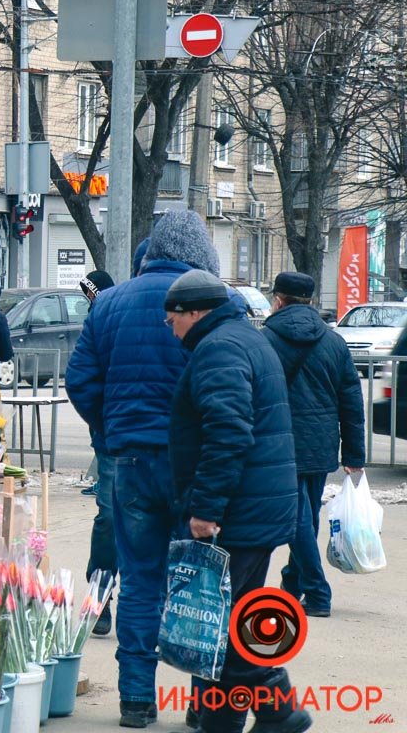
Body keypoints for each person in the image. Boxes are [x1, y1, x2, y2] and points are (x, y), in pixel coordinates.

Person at [64, 209, 221, 728]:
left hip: (129, 460)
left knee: (140, 581)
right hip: (194, 470)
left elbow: (81, 380)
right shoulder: (217, 303)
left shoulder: (108, 303)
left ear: (152, 250)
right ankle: (203, 704)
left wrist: (110, 433)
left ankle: (136, 700)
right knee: (202, 584)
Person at [165, 270, 307, 733]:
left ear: (195, 312)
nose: (171, 328)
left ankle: (250, 716)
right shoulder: (242, 336)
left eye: (173, 320)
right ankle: (276, 712)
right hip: (255, 506)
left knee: (226, 629)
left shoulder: (220, 348)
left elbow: (227, 435)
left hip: (238, 513)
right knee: (236, 620)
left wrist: (205, 510)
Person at [262, 271, 365, 618]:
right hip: (321, 443)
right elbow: (351, 401)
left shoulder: (266, 340)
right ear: (310, 300)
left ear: (278, 300)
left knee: (296, 518)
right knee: (305, 515)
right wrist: (354, 455)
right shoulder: (334, 342)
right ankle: (292, 585)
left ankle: (317, 592)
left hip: (280, 443)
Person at [73, 269, 117, 635]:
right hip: (118, 440)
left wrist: (100, 422)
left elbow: (81, 381)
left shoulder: (105, 314)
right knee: (112, 518)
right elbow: (82, 380)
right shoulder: (104, 317)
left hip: (118, 439)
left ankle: (103, 602)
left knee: (111, 519)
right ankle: (100, 602)